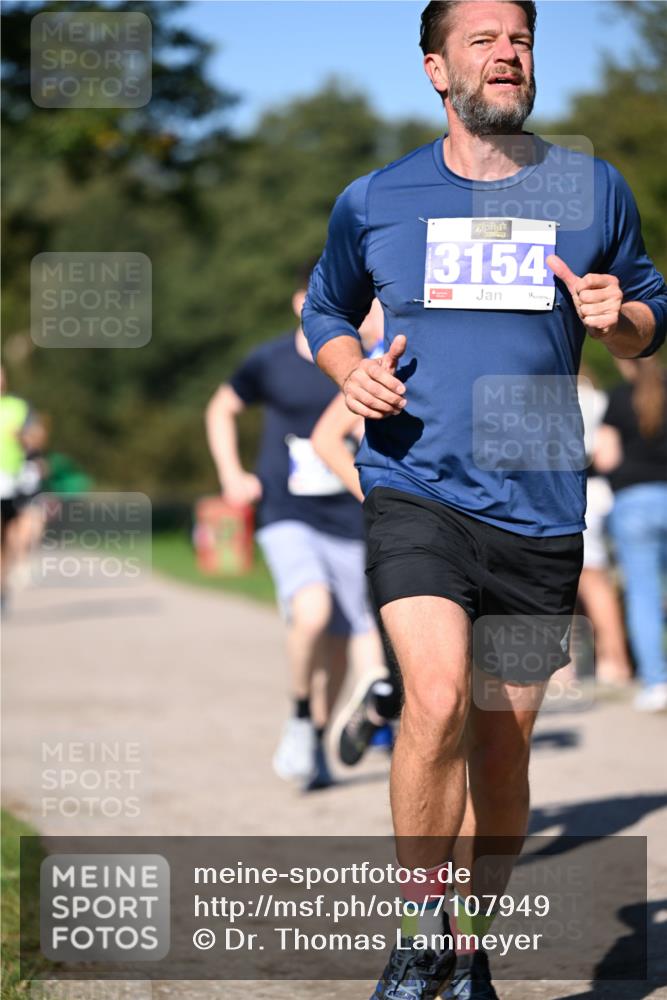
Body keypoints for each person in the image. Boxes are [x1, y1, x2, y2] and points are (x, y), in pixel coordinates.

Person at [302, 2, 667, 996]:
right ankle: (420, 936)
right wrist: (349, 370)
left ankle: (466, 948)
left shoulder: (591, 188)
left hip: (537, 503)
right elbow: (326, 307)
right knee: (432, 698)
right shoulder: (376, 198)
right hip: (414, 480)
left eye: (520, 40)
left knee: (502, 756)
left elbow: (648, 310)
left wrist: (619, 318)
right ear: (436, 69)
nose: (507, 54)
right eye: (483, 40)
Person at [205, 263, 385, 792]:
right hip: (286, 512)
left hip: (349, 515)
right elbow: (220, 409)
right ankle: (301, 715)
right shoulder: (270, 360)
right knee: (313, 611)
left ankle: (320, 738)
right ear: (299, 302)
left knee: (347, 638)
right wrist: (231, 474)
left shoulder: (361, 361)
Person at [595, 356, 667, 712]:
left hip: (634, 503)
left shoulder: (619, 397)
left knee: (643, 594)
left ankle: (657, 683)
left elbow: (605, 458)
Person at [577, 369, 632, 688]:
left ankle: (614, 661)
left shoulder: (560, 399)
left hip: (580, 491)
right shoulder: (598, 398)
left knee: (591, 582)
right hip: (599, 493)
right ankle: (610, 660)